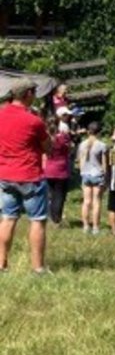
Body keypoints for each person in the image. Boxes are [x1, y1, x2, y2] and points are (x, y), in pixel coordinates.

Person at [0, 79, 51, 274]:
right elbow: (48, 147)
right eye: (34, 91)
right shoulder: (33, 120)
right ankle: (38, 268)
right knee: (37, 220)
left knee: (8, 218)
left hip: (5, 174)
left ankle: (2, 264)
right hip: (29, 175)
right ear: (28, 93)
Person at [78, 122, 107, 234]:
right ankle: (95, 227)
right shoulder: (102, 145)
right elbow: (104, 164)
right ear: (99, 132)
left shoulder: (82, 144)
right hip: (97, 174)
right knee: (96, 202)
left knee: (86, 201)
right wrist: (106, 177)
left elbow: (80, 160)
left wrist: (81, 171)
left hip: (85, 174)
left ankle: (85, 226)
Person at [44, 117, 73, 226]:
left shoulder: (46, 138)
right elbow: (69, 149)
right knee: (60, 195)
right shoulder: (63, 136)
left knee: (50, 194)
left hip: (48, 169)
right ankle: (56, 218)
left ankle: (50, 216)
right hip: (61, 170)